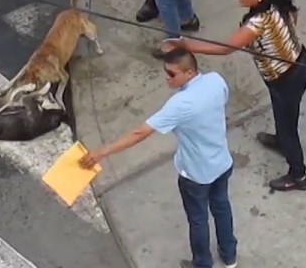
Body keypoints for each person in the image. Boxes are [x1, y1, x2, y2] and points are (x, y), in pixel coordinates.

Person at [79, 47, 238, 268]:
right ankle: (229, 256)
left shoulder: (179, 104)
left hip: (195, 174)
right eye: (166, 72)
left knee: (198, 220)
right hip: (222, 162)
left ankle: (202, 263)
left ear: (189, 73)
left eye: (172, 74)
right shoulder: (216, 80)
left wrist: (102, 152)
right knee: (222, 207)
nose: (167, 78)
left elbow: (140, 133)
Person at [163, 0, 306, 192]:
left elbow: (225, 48)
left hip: (285, 77)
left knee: (287, 124)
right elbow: (294, 15)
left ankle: (298, 175)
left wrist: (185, 45)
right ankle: (281, 141)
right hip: (298, 62)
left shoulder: (257, 23)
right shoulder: (276, 2)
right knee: (283, 115)